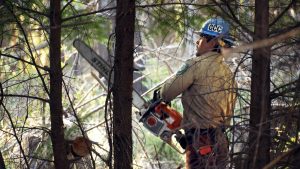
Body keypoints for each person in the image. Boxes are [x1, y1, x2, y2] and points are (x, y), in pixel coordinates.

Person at [160, 18, 237, 169]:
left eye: (202, 37)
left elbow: (166, 93)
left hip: (200, 140)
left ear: (213, 42)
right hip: (221, 142)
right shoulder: (229, 74)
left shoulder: (195, 65)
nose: (198, 42)